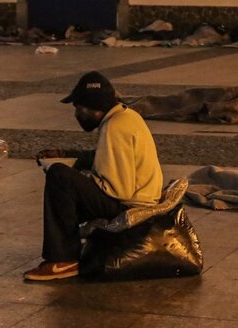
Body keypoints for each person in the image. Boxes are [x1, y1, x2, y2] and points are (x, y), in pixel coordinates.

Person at [24, 71, 163, 281]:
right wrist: (67, 156)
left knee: (59, 177)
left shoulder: (116, 127)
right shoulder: (126, 116)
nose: (77, 115)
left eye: (79, 109)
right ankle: (66, 248)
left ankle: (63, 260)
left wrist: (78, 177)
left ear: (94, 108)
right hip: (138, 197)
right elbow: (107, 157)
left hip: (132, 205)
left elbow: (119, 190)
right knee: (65, 176)